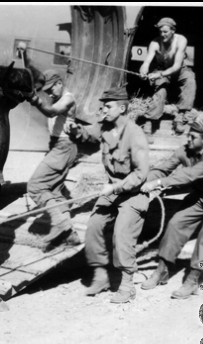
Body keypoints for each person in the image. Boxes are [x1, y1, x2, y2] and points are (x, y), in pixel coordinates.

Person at [140, 115, 203, 299]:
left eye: (193, 137)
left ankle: (194, 278)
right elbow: (163, 168)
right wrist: (143, 180)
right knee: (175, 223)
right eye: (189, 136)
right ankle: (162, 270)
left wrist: (159, 183)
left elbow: (189, 176)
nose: (188, 140)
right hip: (200, 195)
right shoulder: (184, 150)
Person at [76, 86, 150, 303]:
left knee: (121, 235)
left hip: (133, 193)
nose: (104, 110)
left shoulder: (135, 135)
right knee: (93, 226)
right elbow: (88, 135)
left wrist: (115, 187)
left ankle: (127, 285)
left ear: (122, 107)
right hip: (112, 190)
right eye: (103, 106)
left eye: (108, 106)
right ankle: (100, 276)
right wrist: (76, 131)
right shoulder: (106, 128)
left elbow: (140, 173)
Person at [26, 69, 82, 249]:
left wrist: (35, 100)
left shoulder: (67, 99)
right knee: (56, 190)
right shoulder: (57, 96)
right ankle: (70, 235)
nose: (49, 92)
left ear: (60, 83)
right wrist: (25, 57)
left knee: (35, 186)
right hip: (60, 146)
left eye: (51, 88)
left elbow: (51, 112)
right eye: (46, 89)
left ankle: (60, 223)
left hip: (64, 147)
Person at [139, 17, 196, 136]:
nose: (162, 34)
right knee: (161, 88)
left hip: (178, 69)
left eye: (165, 32)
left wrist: (159, 74)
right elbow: (146, 62)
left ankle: (181, 116)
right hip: (161, 69)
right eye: (160, 32)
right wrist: (143, 70)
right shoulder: (155, 43)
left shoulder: (181, 41)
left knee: (189, 79)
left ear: (173, 30)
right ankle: (150, 120)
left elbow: (176, 66)